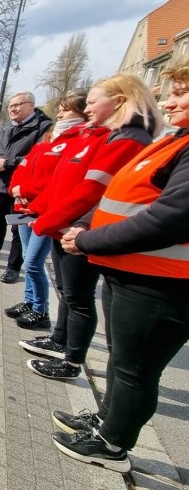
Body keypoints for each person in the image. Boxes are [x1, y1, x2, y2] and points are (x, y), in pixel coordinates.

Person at [49, 60, 188, 473]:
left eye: (181, 92)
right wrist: (87, 229)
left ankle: (113, 446)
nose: (170, 99)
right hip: (131, 273)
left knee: (135, 369)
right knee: (120, 359)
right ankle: (107, 419)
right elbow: (124, 199)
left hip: (163, 284)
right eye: (170, 91)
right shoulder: (174, 141)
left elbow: (170, 218)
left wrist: (87, 238)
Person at [23, 73, 160, 380]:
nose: (87, 109)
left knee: (78, 298)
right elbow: (63, 182)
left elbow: (89, 191)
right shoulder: (103, 137)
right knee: (67, 293)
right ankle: (60, 340)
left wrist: (46, 220)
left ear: (119, 102)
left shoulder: (124, 141)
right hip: (67, 228)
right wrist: (40, 210)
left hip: (82, 232)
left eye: (93, 102)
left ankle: (71, 361)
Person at [7, 94, 88, 331]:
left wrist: (27, 190)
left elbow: (58, 180)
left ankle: (41, 310)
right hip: (24, 206)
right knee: (26, 255)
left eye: (66, 110)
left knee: (33, 262)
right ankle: (30, 301)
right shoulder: (48, 139)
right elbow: (25, 165)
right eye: (60, 110)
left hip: (44, 211)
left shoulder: (78, 142)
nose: (60, 115)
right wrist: (16, 188)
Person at [0, 92, 51, 283]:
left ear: (32, 105)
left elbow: (37, 157)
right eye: (10, 106)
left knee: (17, 229)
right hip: (1, 184)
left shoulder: (43, 127)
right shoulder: (6, 127)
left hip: (22, 188)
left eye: (18, 105)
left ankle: (13, 267)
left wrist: (8, 163)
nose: (13, 109)